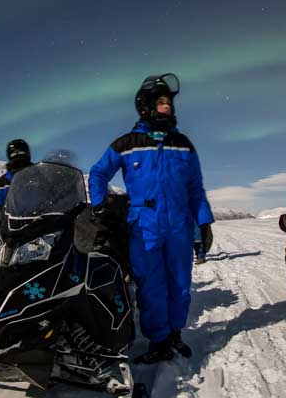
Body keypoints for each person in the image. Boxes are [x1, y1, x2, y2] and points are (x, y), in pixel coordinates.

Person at [89, 74, 214, 364]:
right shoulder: (126, 143)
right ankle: (159, 340)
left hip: (180, 225)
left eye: (169, 102)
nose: (167, 106)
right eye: (161, 102)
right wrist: (99, 207)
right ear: (145, 106)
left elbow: (195, 188)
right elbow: (98, 173)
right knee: (152, 286)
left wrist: (204, 223)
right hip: (144, 226)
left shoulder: (183, 144)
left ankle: (175, 334)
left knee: (181, 285)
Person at [0, 139, 34, 207]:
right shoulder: (3, 182)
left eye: (21, 152)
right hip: (12, 216)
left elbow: (50, 195)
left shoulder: (38, 175)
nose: (18, 154)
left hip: (40, 215)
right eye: (15, 153)